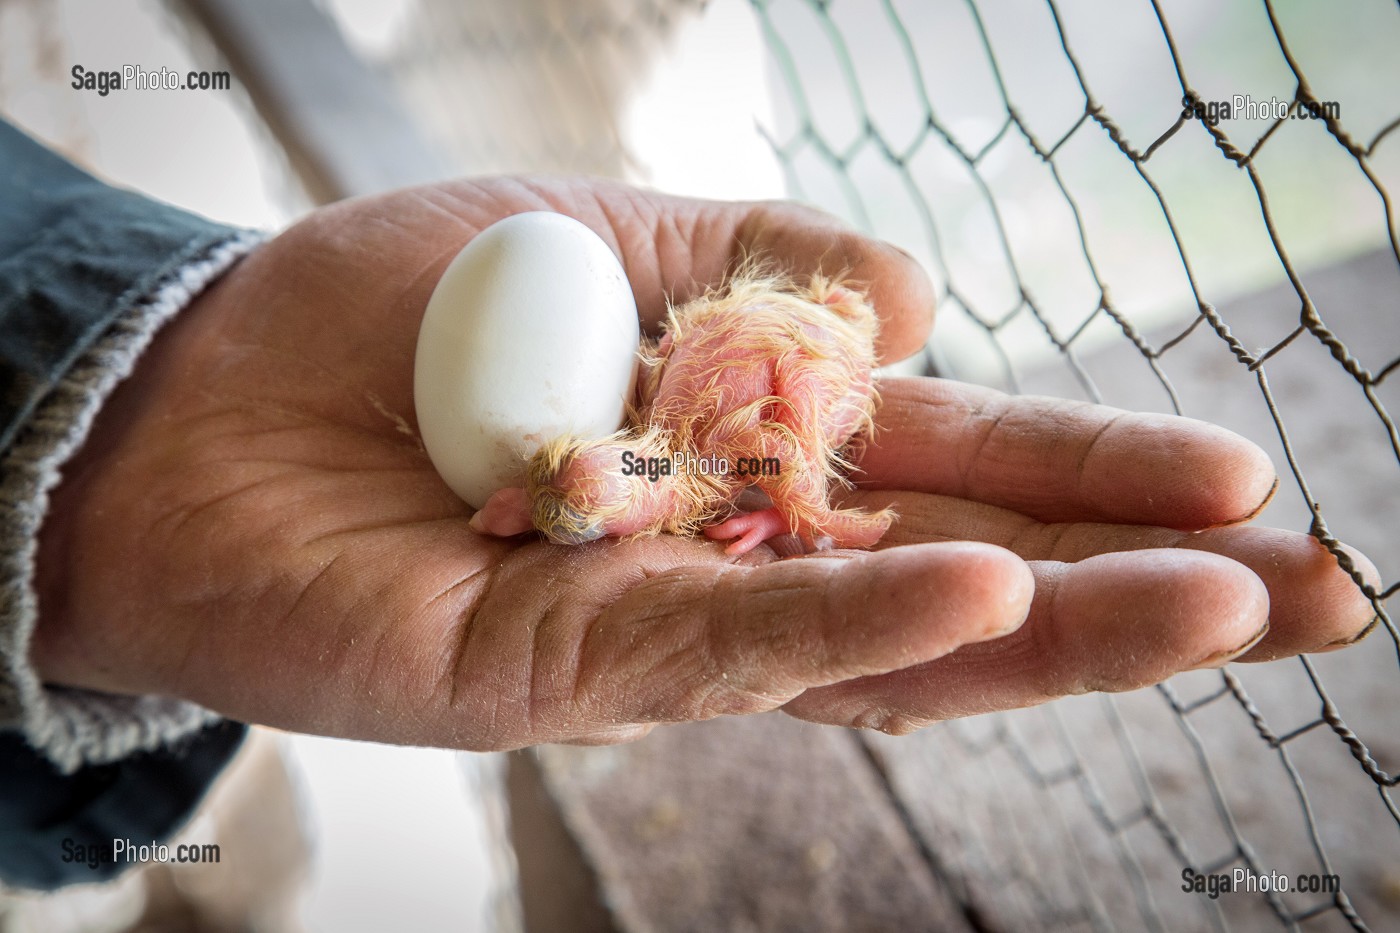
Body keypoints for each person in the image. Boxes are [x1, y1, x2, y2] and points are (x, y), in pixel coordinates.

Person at [0, 118, 1378, 888]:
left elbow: (689, 467)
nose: (533, 512)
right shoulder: (626, 455)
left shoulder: (698, 440)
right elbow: (558, 490)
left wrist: (805, 514)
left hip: (696, 442)